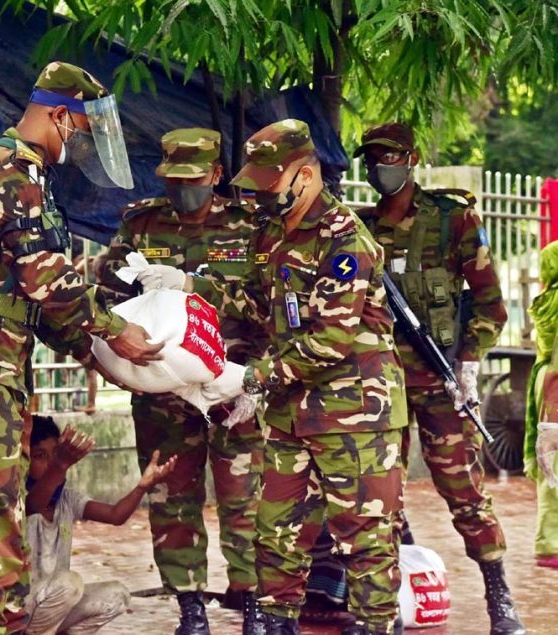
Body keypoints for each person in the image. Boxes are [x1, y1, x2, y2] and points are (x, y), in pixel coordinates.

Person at [0, 61, 163, 634]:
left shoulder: (25, 174)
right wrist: (115, 332)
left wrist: (100, 358)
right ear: (61, 116)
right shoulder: (8, 169)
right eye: (82, 130)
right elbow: (49, 281)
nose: (83, 144)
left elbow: (30, 302)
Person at [136, 119, 408, 635]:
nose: (261, 194)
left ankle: (378, 625)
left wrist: (252, 378)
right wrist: (191, 284)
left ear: (305, 176)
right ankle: (278, 623)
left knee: (364, 539)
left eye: (270, 183)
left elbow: (330, 340)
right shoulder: (273, 233)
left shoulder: (345, 241)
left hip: (353, 416)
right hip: (290, 414)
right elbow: (257, 300)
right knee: (275, 535)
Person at [354, 123, 523, 635]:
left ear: (412, 159)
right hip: (382, 388)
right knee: (380, 497)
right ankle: (390, 600)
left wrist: (470, 360)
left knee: (464, 490)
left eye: (390, 158)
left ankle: (499, 593)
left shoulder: (453, 221)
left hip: (441, 381)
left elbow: (490, 303)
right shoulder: (358, 230)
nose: (380, 168)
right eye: (373, 159)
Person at [96, 128, 264, 634]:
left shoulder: (250, 228)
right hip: (163, 390)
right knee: (172, 495)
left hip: (232, 386)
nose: (182, 191)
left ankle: (253, 599)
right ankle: (189, 604)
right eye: (173, 181)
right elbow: (105, 294)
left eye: (193, 181)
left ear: (216, 175)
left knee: (245, 498)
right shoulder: (141, 224)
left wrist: (195, 286)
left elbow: (268, 305)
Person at [24, 415, 176, 634]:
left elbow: (116, 515)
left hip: (58, 601)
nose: (50, 463)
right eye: (40, 456)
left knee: (117, 595)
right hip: (23, 609)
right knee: (70, 583)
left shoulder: (67, 499)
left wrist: (142, 486)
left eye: (55, 455)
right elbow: (35, 503)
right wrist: (60, 464)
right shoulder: (19, 499)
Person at [525, 241, 558, 566]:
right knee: (554, 467)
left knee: (550, 465)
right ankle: (549, 545)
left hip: (545, 378)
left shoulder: (547, 299)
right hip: (556, 384)